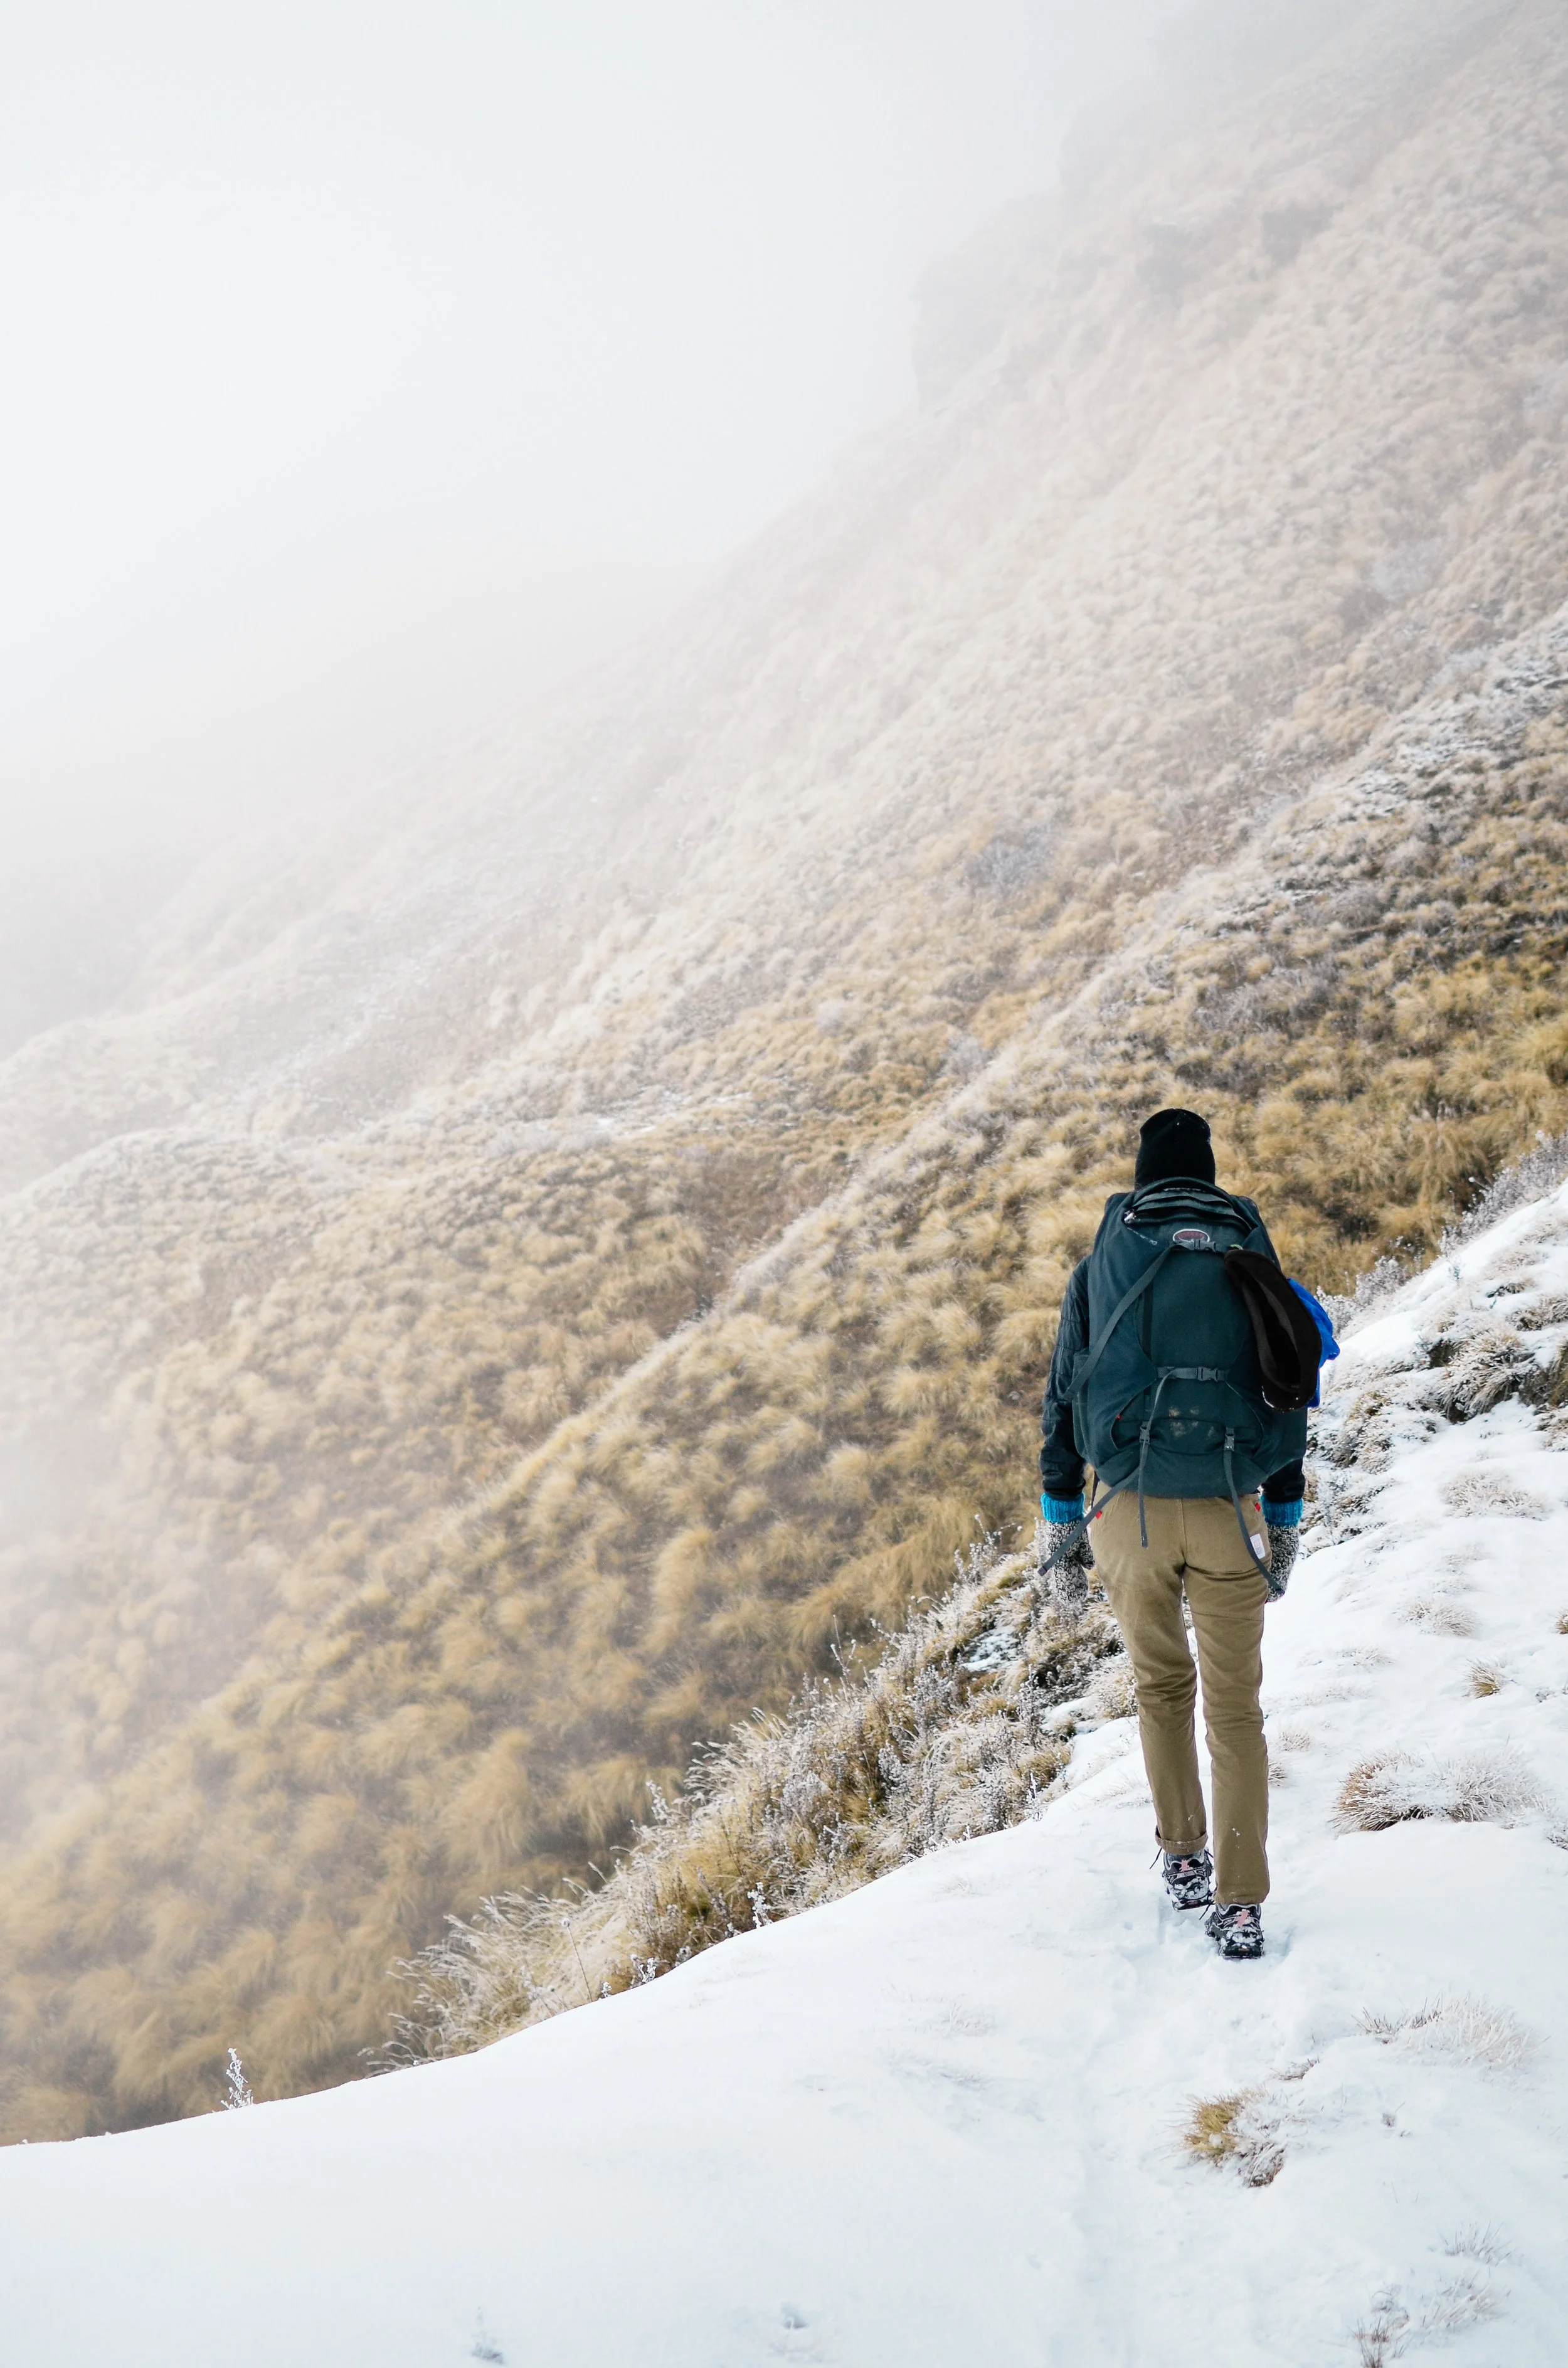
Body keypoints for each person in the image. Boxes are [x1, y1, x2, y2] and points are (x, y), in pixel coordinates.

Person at [1038, 1108, 1310, 1961]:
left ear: (1146, 1176)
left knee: (1162, 1688)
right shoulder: (1247, 1250)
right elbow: (1287, 1378)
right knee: (1236, 1710)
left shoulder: (1102, 1264)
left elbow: (1062, 1396)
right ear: (1209, 1174)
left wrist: (1060, 1522)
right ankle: (1239, 1904)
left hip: (1129, 1512)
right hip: (1235, 1506)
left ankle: (1184, 1857)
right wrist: (1287, 1510)